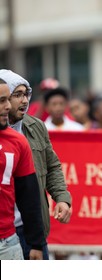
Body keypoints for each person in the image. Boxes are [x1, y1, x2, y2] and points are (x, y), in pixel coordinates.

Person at [0, 70, 72, 260]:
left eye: (26, 94)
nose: (24, 101)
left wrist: (62, 198)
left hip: (31, 229)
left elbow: (52, 166)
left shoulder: (36, 126)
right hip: (4, 232)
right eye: (17, 95)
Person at [0, 78, 46, 260]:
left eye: (7, 99)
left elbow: (29, 196)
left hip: (8, 243)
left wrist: (36, 243)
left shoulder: (18, 141)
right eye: (1, 100)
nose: (7, 106)